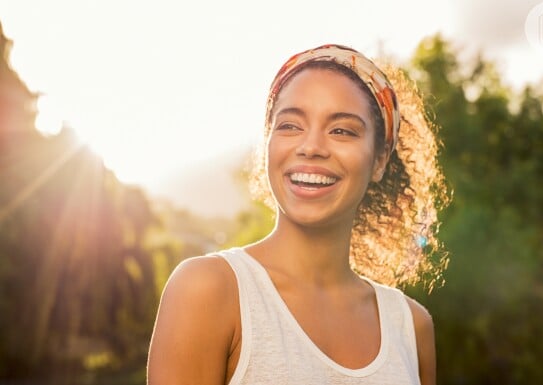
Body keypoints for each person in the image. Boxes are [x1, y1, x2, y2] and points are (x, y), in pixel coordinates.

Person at [147, 43, 449, 385]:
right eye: (290, 125)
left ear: (379, 160)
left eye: (342, 130)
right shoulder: (208, 290)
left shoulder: (411, 326)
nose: (311, 147)